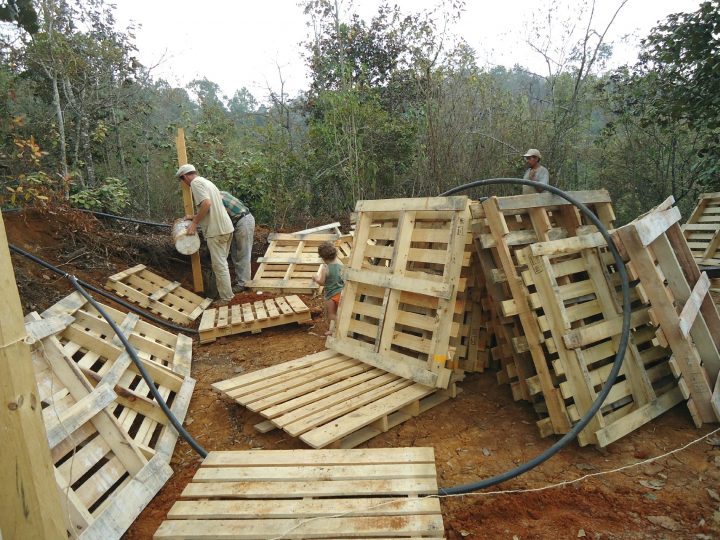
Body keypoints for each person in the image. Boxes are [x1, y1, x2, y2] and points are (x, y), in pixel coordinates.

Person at [176, 164, 234, 305]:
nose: (184, 184)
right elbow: (211, 206)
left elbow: (206, 204)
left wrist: (195, 222)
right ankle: (224, 294)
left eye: (182, 180)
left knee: (220, 266)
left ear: (184, 177)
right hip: (226, 227)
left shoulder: (195, 183)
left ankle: (226, 298)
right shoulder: (207, 182)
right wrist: (194, 216)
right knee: (222, 264)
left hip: (216, 231)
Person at [220, 191, 255, 293]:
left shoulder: (214, 199)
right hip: (239, 221)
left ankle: (244, 283)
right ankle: (240, 280)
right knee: (235, 253)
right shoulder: (222, 193)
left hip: (242, 221)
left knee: (243, 253)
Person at [312, 241, 344, 336]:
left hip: (330, 295)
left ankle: (335, 329)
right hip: (341, 293)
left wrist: (315, 278)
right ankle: (339, 329)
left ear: (323, 258)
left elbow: (321, 282)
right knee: (339, 312)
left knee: (331, 314)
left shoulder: (325, 268)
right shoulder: (341, 267)